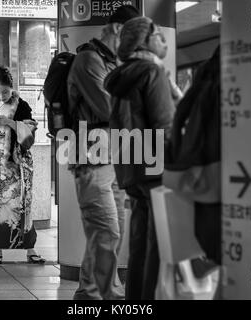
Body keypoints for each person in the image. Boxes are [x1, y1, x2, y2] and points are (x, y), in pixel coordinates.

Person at [67, 5, 140, 300]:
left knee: (110, 230)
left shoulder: (114, 63)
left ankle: (89, 292)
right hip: (92, 159)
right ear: (120, 30)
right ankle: (109, 295)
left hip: (114, 158)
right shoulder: (88, 60)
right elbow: (109, 108)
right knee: (107, 230)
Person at [104, 16, 175, 300]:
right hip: (156, 170)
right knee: (159, 249)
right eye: (158, 34)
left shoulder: (123, 76)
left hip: (131, 171)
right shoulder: (151, 73)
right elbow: (164, 126)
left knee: (139, 247)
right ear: (144, 40)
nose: (164, 40)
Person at [0, 64, 44, 265]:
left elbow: (29, 136)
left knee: (23, 206)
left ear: (12, 87)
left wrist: (9, 122)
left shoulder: (22, 106)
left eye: (5, 92)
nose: (2, 96)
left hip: (18, 166)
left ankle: (30, 248)